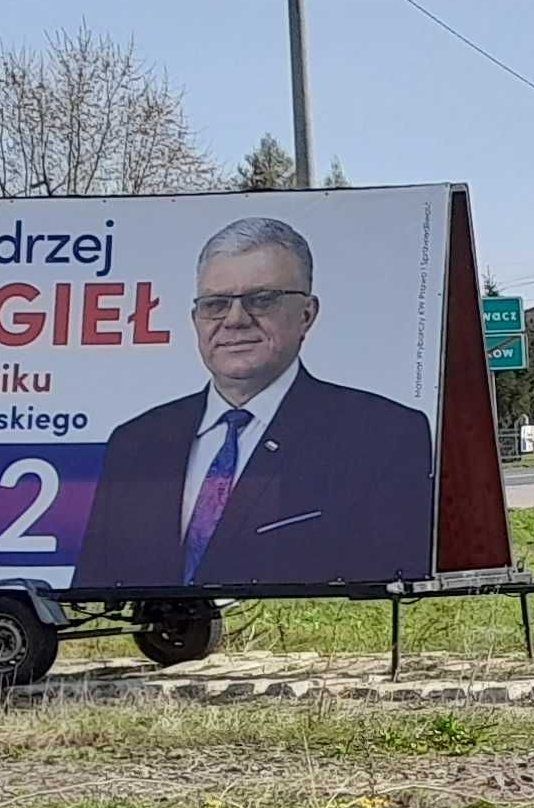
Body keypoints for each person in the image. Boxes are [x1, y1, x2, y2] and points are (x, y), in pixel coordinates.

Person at [77, 216, 436, 591]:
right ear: (195, 320)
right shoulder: (135, 442)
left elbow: (392, 574)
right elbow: (96, 582)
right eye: (216, 304)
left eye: (261, 300)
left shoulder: (383, 435)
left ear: (306, 315)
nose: (235, 320)